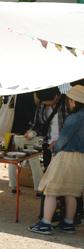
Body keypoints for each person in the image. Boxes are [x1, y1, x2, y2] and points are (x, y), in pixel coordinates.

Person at [29, 85, 84, 235]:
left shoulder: (74, 118)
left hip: (65, 156)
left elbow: (62, 140)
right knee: (71, 191)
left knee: (50, 190)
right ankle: (68, 223)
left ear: (74, 101)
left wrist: (54, 151)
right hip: (80, 157)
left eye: (69, 100)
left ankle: (45, 223)